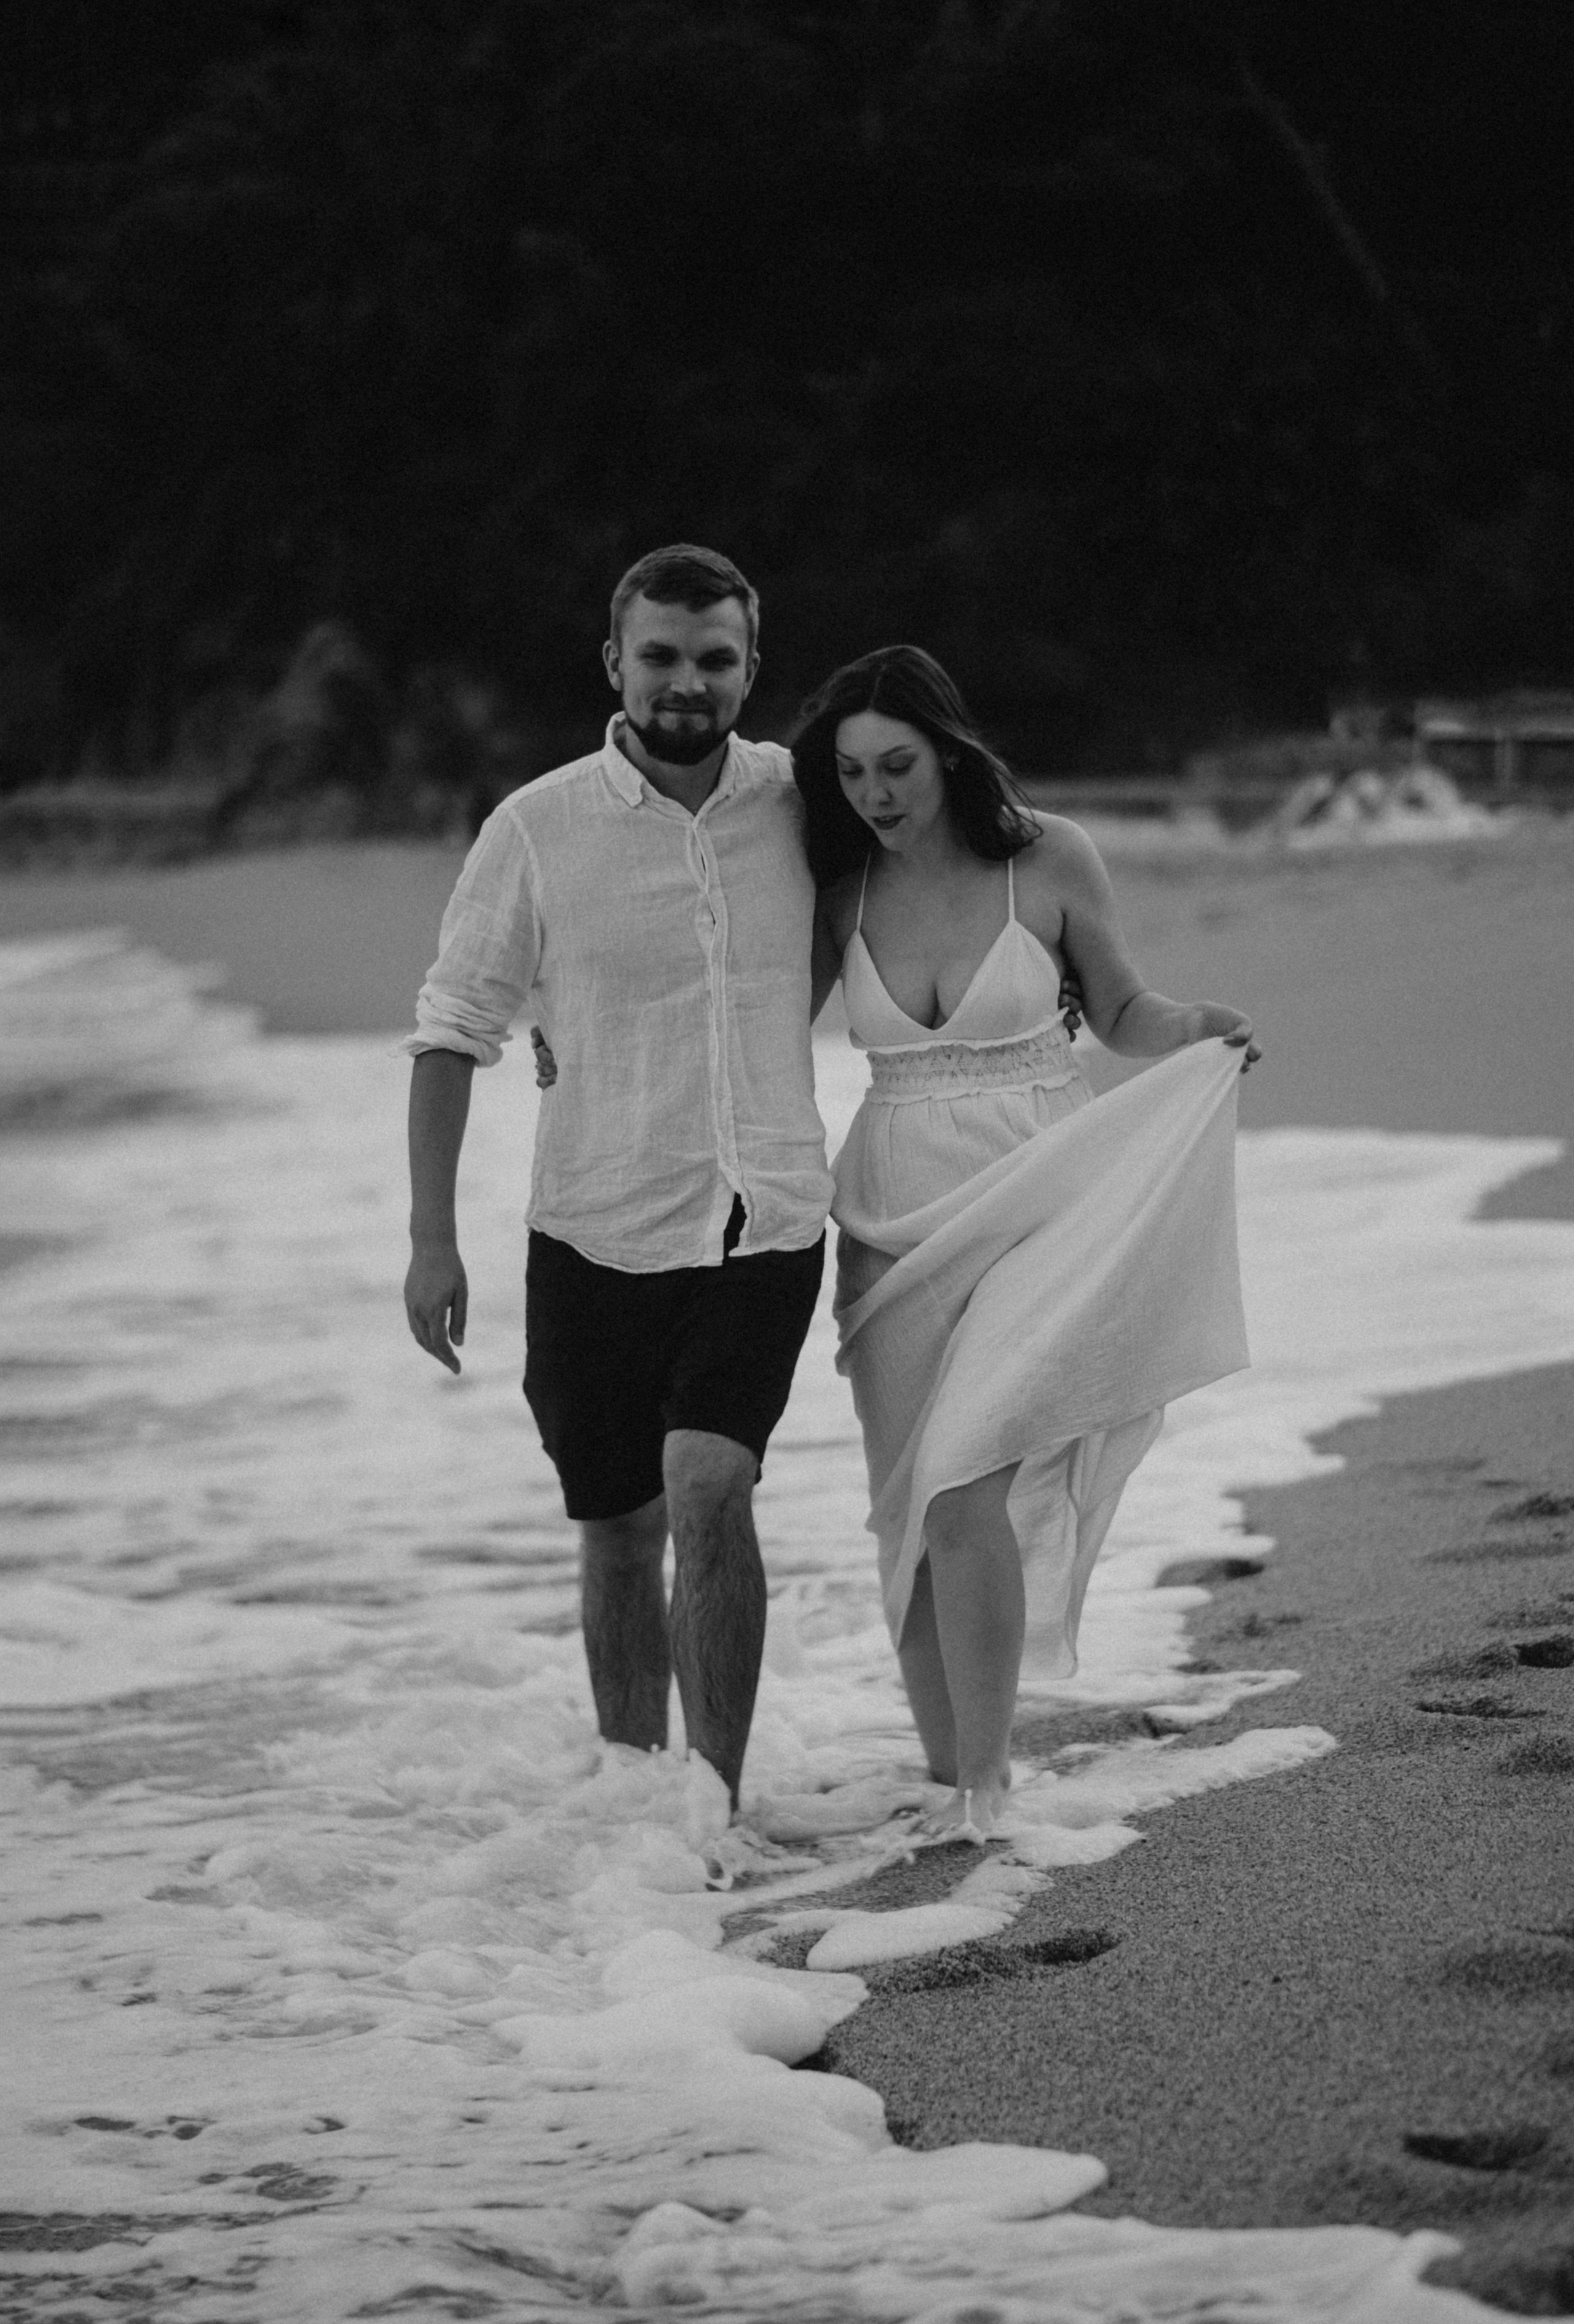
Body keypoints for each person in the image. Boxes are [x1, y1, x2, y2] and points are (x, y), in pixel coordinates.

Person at [797, 646, 1260, 1842]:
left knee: (964, 1484)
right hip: (886, 1226)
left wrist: (1192, 1029)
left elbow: (1117, 1010)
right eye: (849, 772)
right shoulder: (835, 887)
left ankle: (986, 1783)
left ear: (946, 754)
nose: (873, 794)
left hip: (1035, 1198)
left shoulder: (1046, 858)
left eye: (894, 765)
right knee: (906, 1510)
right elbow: (747, 1031)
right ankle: (951, 1779)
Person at [402, 545, 831, 1811]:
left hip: (763, 1220)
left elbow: (944, 865)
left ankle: (716, 1806)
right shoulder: (535, 829)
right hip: (590, 1225)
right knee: (617, 1524)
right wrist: (433, 1241)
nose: (686, 684)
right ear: (614, 663)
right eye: (660, 656)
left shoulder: (804, 804)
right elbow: (450, 1031)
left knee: (709, 1483)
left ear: (752, 664)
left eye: (714, 659)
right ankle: (636, 1797)